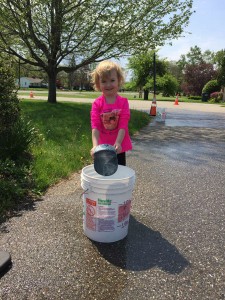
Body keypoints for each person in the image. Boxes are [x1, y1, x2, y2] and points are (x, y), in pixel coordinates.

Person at [90, 60, 132, 166]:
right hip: (102, 148)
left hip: (118, 147)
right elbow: (95, 126)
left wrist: (118, 142)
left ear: (119, 81)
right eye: (104, 81)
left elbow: (123, 125)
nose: (108, 84)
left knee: (120, 172)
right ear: (98, 84)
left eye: (112, 80)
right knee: (102, 172)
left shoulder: (123, 102)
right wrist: (95, 146)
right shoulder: (97, 104)